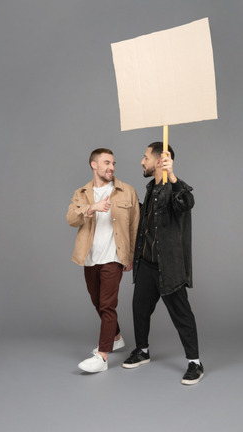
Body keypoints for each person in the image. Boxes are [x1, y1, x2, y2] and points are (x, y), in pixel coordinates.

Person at [122, 142, 204, 385]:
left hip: (169, 267)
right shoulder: (151, 188)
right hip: (147, 263)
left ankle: (195, 363)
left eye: (145, 157)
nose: (141, 161)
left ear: (160, 161)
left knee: (182, 315)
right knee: (139, 309)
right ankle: (143, 351)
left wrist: (175, 176)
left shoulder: (173, 188)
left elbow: (187, 202)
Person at [66, 148, 139, 373]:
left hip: (113, 257)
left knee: (107, 305)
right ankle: (115, 337)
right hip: (89, 258)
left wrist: (131, 257)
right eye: (107, 163)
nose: (112, 167)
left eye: (114, 163)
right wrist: (91, 208)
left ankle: (102, 357)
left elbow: (135, 226)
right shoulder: (81, 193)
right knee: (97, 302)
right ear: (93, 165)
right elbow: (70, 219)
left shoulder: (126, 191)